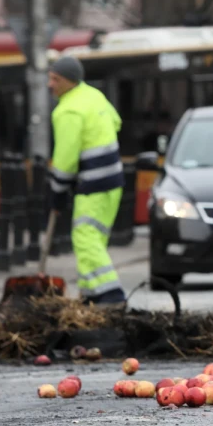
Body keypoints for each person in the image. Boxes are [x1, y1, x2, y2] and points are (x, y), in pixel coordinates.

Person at [47, 55, 126, 307]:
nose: (50, 84)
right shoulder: (93, 95)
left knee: (85, 237)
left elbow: (66, 157)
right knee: (96, 239)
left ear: (69, 81)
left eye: (55, 79)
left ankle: (111, 295)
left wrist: (58, 187)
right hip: (113, 178)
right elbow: (116, 122)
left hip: (93, 183)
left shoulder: (68, 110)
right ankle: (91, 295)